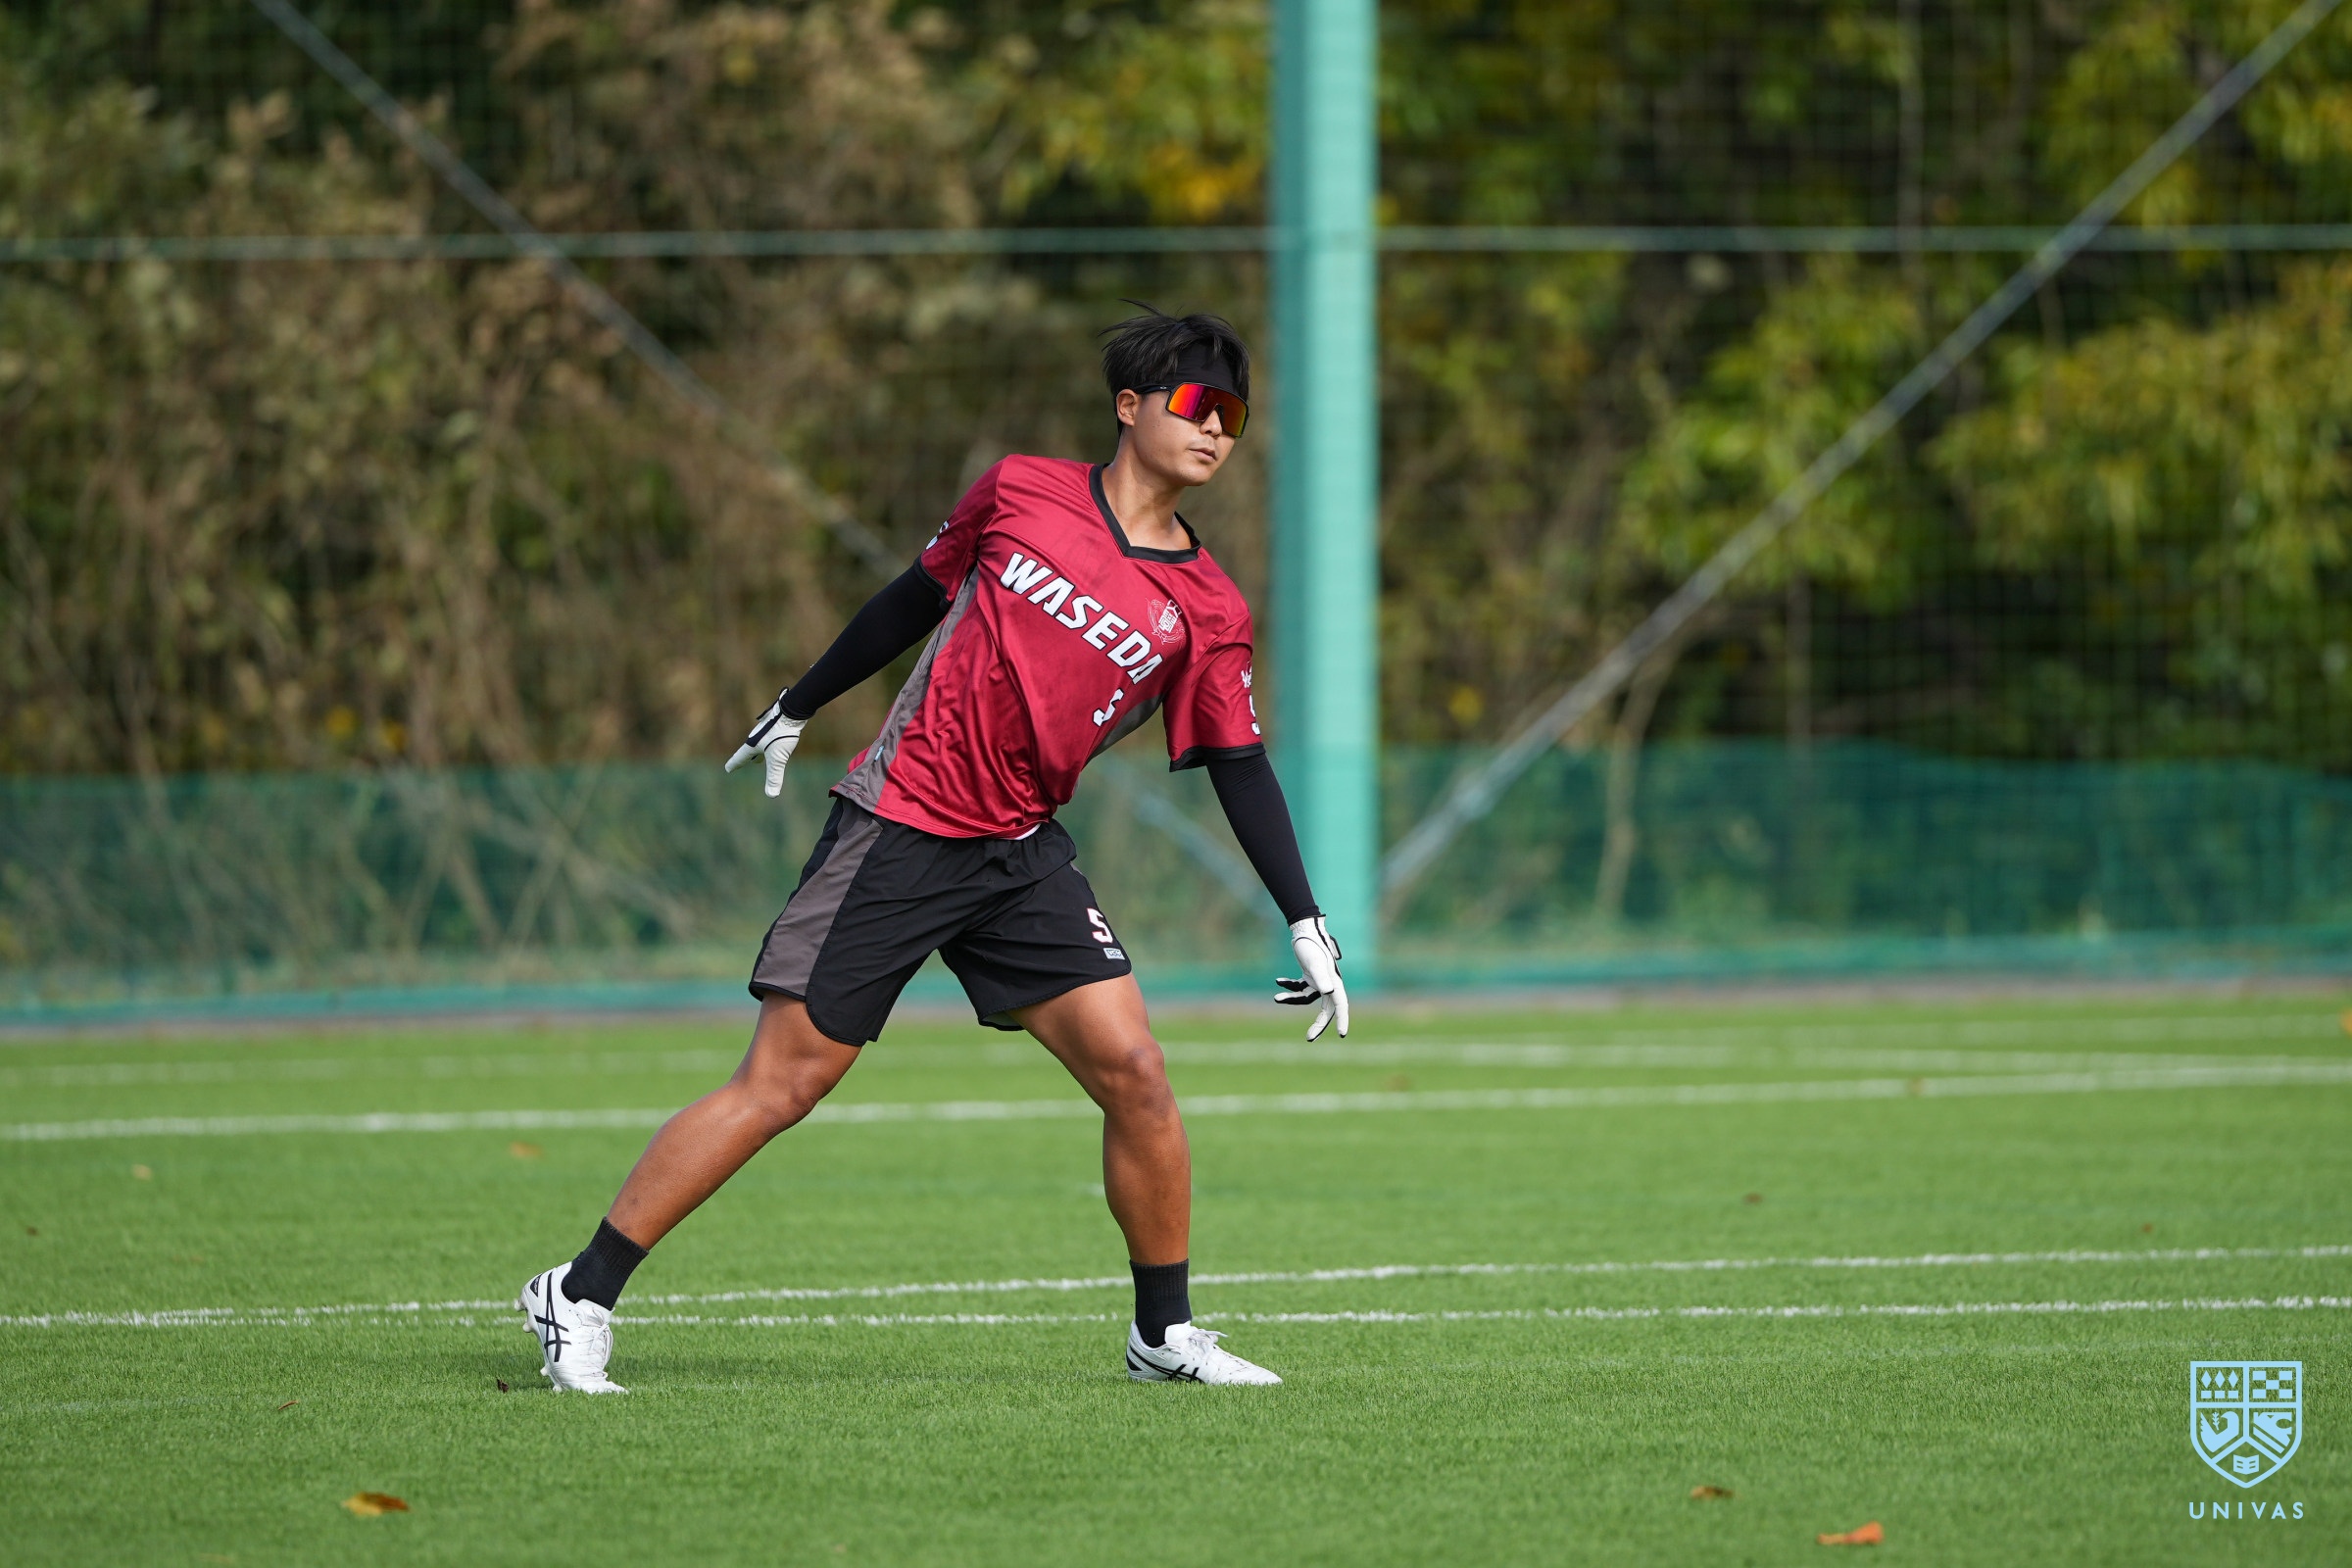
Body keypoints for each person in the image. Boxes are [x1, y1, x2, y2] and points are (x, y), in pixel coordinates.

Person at [518, 306, 1348, 1394]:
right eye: (1196, 404)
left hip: (1018, 852)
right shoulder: (1021, 490)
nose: (1214, 431)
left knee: (1137, 1073)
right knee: (784, 1083)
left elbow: (1239, 762)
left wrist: (1304, 915)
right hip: (901, 824)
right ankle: (577, 1291)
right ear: (1129, 406)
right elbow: (914, 596)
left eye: (1233, 418)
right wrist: (800, 701)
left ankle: (1164, 1334)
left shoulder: (1208, 603)